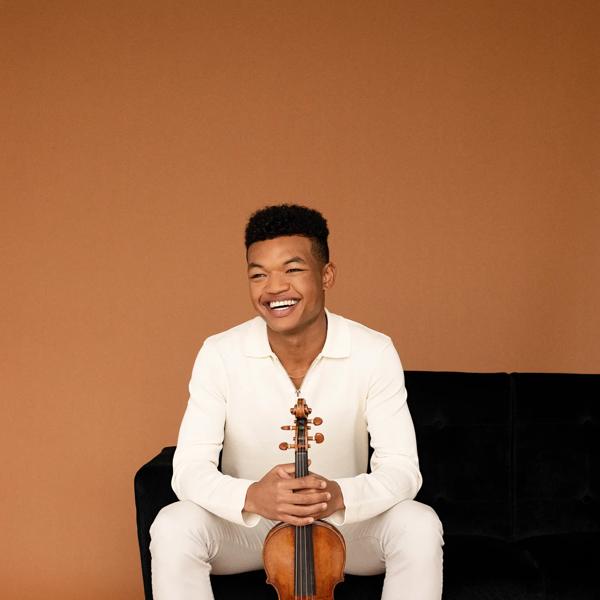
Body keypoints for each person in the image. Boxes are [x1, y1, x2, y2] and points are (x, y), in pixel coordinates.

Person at [150, 204, 444, 600]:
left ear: (326, 275)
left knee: (418, 522)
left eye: (292, 270)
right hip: (251, 529)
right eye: (259, 275)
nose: (274, 288)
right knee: (173, 523)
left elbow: (403, 471)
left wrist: (337, 496)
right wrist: (253, 496)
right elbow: (187, 471)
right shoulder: (219, 353)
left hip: (342, 527)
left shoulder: (373, 351)